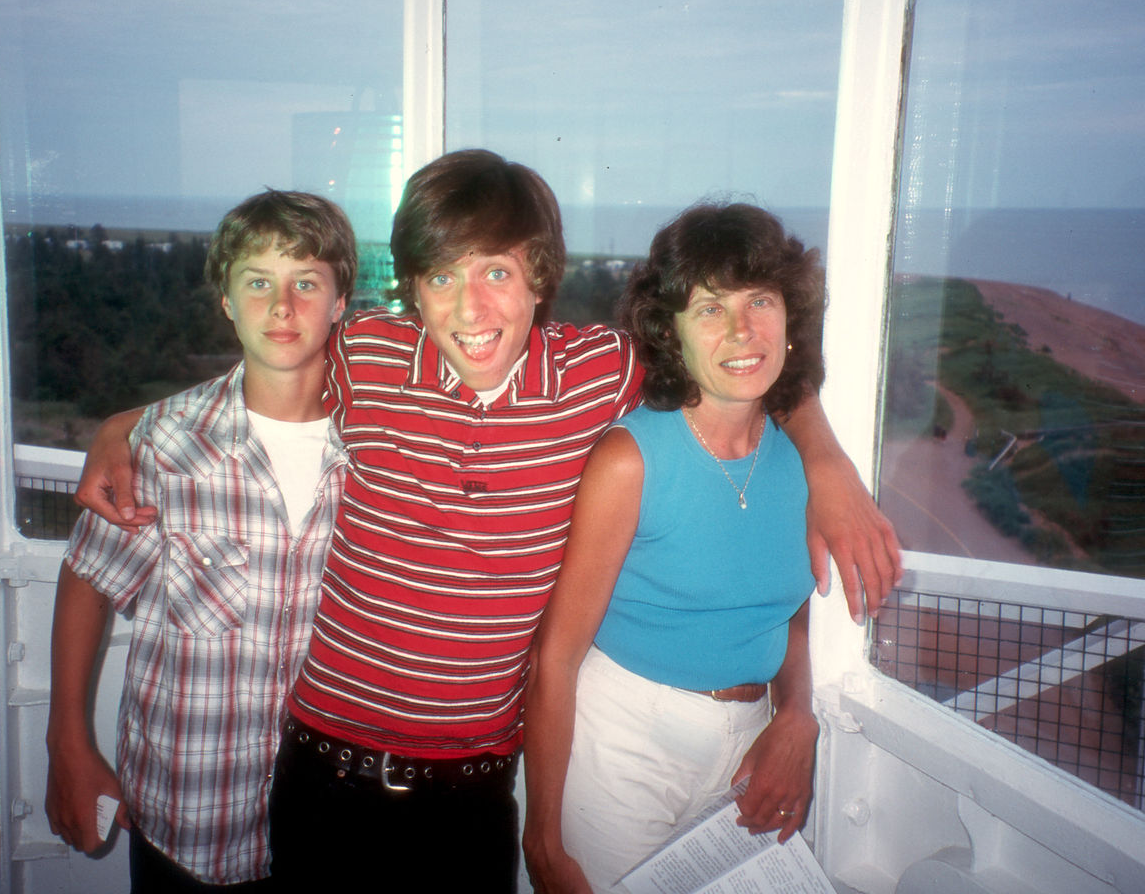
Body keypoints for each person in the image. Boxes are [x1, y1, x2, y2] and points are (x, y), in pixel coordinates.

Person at [75, 150, 902, 892]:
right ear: (412, 291)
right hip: (322, 772)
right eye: (441, 277)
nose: (470, 307)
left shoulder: (597, 371)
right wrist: (126, 428)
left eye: (496, 272)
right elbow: (266, 368)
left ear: (539, 276)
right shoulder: (367, 353)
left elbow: (738, 356)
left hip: (471, 793)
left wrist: (826, 465)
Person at [44, 190, 357, 893]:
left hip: (330, 819)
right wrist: (67, 740)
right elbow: (89, 578)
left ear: (341, 302)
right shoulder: (160, 445)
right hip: (188, 812)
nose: (283, 306)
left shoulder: (379, 449)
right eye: (257, 282)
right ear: (225, 299)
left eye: (306, 282)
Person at [522, 203, 825, 894]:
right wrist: (541, 837)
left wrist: (797, 714)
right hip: (625, 741)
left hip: (748, 745)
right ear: (672, 333)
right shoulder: (631, 459)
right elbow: (556, 657)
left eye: (760, 300)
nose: (743, 330)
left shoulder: (801, 464)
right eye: (710, 309)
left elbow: (789, 607)